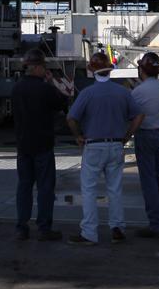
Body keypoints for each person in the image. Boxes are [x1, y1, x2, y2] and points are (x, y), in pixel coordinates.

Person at [66, 51, 143, 245]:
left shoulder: (87, 93)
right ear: (110, 70)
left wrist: (78, 136)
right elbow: (139, 116)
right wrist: (127, 135)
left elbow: (71, 118)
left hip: (93, 145)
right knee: (115, 189)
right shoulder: (122, 92)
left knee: (90, 190)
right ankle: (117, 227)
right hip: (116, 145)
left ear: (92, 71)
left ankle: (89, 233)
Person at [11, 47, 68, 241]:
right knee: (45, 187)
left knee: (24, 186)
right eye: (43, 67)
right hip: (43, 144)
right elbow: (63, 103)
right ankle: (44, 228)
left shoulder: (17, 88)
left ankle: (21, 227)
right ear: (36, 67)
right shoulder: (45, 89)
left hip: (23, 145)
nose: (45, 70)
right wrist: (52, 82)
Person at [131, 52, 159, 239]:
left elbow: (131, 113)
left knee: (149, 181)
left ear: (142, 69)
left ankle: (156, 225)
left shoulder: (138, 91)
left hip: (146, 136)